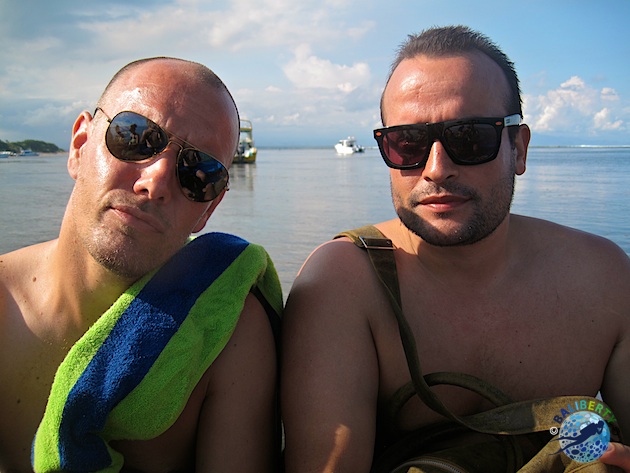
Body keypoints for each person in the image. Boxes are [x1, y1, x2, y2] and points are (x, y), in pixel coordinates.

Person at [281, 26, 630, 472]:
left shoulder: (603, 280)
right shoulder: (345, 284)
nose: (436, 169)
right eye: (407, 142)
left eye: (469, 138)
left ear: (519, 148)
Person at [0, 57, 282, 472]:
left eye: (198, 173)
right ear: (80, 146)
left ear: (208, 210)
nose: (156, 182)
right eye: (135, 137)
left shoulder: (228, 332)